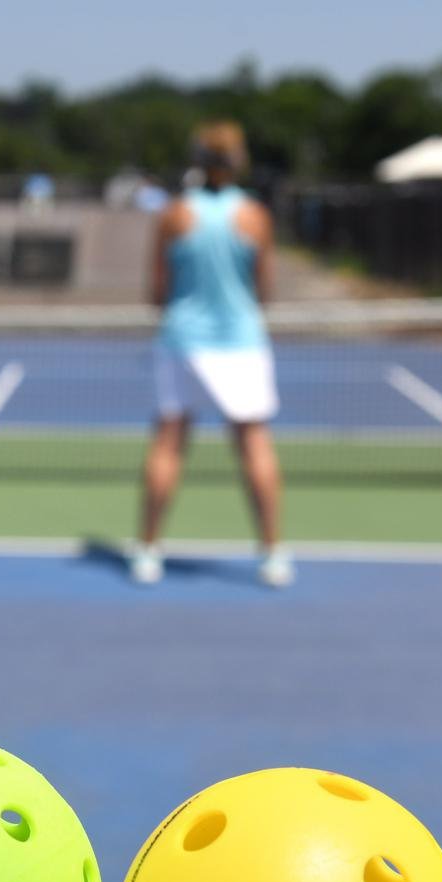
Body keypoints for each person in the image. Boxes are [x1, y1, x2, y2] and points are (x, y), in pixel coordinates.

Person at [133, 121, 291, 589]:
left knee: (168, 444)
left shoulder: (174, 214)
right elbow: (264, 290)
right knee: (254, 445)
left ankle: (147, 551)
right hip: (242, 344)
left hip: (182, 342)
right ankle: (272, 555)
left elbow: (157, 291)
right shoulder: (256, 217)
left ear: (198, 161)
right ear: (238, 161)